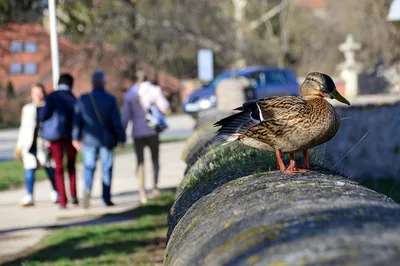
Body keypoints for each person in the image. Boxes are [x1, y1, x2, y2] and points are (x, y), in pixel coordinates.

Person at [72, 70, 126, 209]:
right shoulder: (110, 99)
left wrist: (75, 137)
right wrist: (121, 137)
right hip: (106, 140)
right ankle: (106, 198)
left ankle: (87, 194)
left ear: (92, 82)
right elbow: (116, 122)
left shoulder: (83, 99)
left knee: (89, 168)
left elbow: (77, 120)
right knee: (106, 168)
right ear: (103, 82)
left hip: (89, 140)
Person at [122, 70, 169, 204]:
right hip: (152, 130)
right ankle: (155, 187)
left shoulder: (130, 95)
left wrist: (122, 133)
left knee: (140, 162)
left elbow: (125, 117)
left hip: (137, 132)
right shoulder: (154, 90)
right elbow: (165, 107)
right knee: (155, 159)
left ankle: (142, 192)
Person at [15, 84, 58, 207]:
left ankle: (56, 192)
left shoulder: (49, 107)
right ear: (31, 95)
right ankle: (29, 195)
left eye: (40, 92)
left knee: (50, 169)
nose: (38, 95)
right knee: (29, 171)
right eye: (36, 93)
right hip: (30, 145)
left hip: (44, 145)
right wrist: (19, 147)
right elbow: (23, 128)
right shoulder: (27, 109)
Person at [39, 74, 78, 209]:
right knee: (71, 166)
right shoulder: (73, 98)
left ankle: (63, 200)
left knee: (59, 168)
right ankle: (73, 195)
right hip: (71, 136)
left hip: (55, 137)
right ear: (71, 84)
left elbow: (43, 115)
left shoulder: (52, 97)